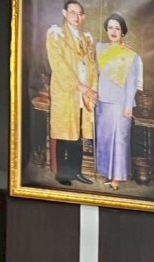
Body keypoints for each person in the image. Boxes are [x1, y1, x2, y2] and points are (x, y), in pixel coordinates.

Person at [46, 0, 98, 186]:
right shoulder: (56, 35)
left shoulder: (87, 39)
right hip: (66, 91)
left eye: (79, 13)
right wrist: (80, 86)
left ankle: (76, 171)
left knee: (79, 134)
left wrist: (92, 88)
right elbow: (58, 64)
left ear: (83, 16)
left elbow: (92, 65)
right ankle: (62, 173)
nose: (76, 17)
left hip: (84, 94)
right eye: (72, 12)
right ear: (65, 13)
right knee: (64, 133)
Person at [95, 12, 142, 191]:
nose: (113, 31)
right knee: (105, 138)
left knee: (120, 140)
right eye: (110, 28)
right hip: (103, 101)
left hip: (121, 103)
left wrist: (128, 105)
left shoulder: (131, 56)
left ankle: (117, 177)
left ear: (123, 32)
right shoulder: (100, 49)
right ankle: (107, 173)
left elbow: (132, 82)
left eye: (117, 28)